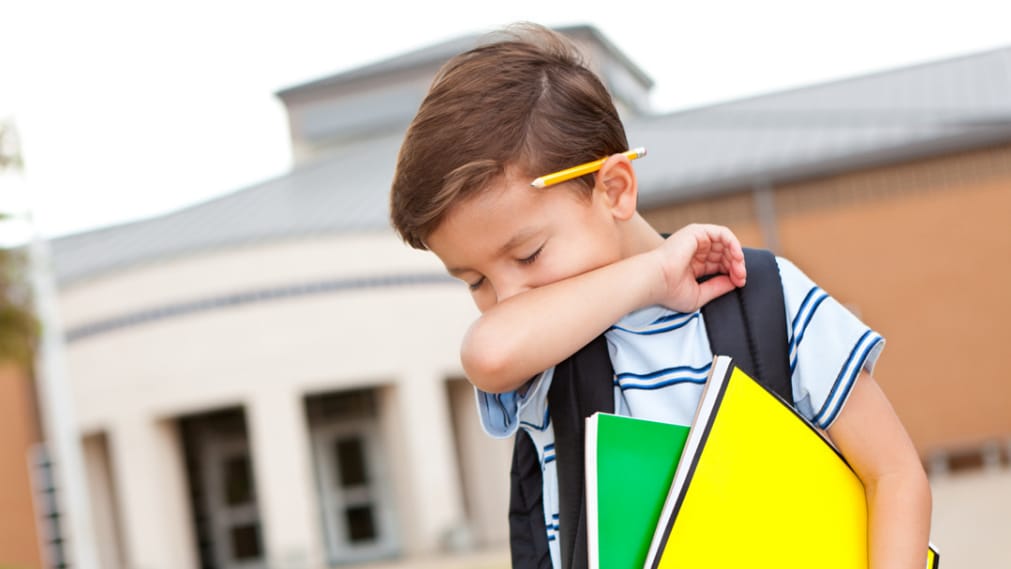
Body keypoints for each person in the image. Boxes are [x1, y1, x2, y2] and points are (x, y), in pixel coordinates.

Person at [389, 23, 930, 569]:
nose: (507, 297)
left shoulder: (766, 299)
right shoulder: (544, 349)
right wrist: (653, 276)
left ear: (615, 189)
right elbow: (491, 353)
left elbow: (894, 475)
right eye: (475, 282)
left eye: (528, 256)